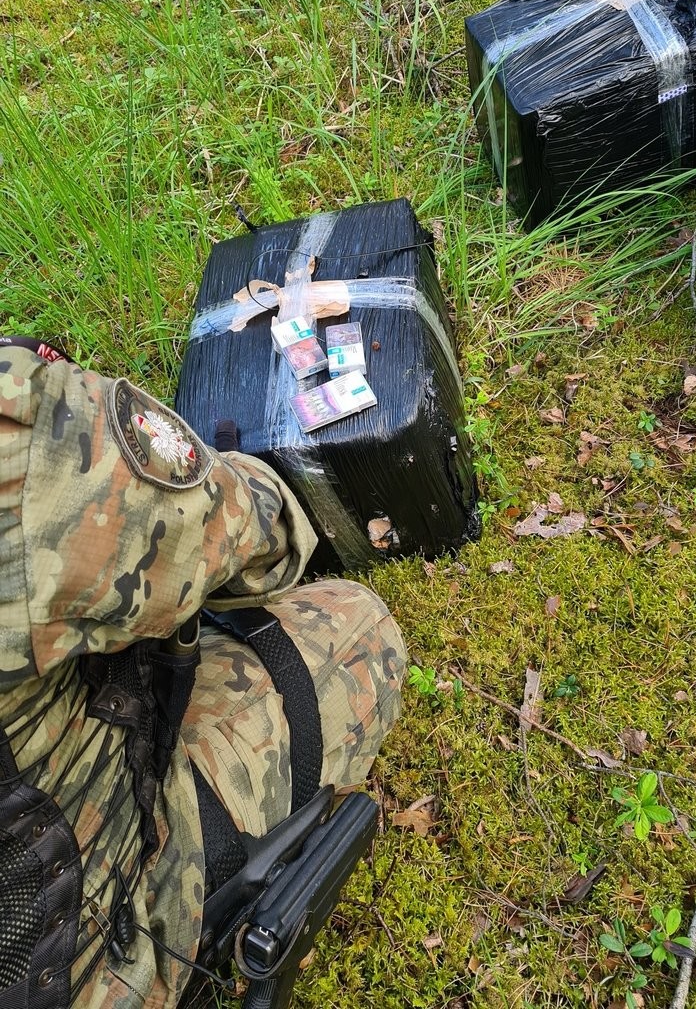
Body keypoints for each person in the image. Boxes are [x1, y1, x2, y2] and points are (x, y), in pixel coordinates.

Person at [0, 338, 407, 1008]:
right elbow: (254, 544)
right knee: (359, 622)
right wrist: (253, 483)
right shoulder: (26, 435)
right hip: (82, 961)